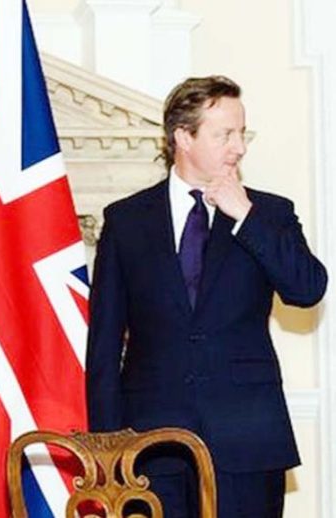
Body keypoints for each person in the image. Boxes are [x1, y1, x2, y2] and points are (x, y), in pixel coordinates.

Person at [85, 75, 327, 518]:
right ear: (183, 137)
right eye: (225, 135)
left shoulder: (269, 213)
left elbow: (307, 289)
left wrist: (245, 217)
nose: (239, 147)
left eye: (241, 133)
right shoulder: (126, 221)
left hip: (247, 441)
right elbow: (102, 344)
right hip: (150, 447)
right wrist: (107, 448)